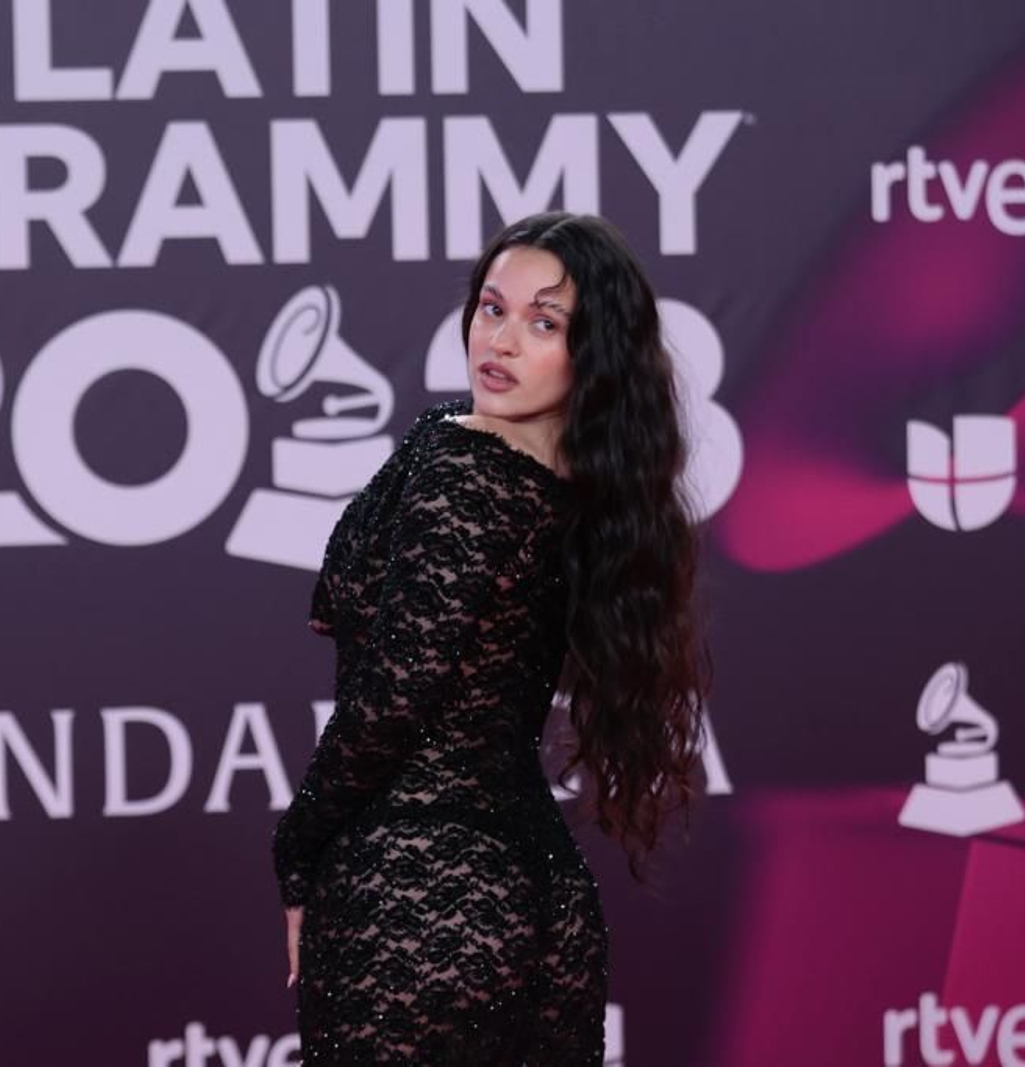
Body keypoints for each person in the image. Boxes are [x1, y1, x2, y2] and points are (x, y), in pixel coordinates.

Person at [271, 211, 711, 1064]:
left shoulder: (465, 467)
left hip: (415, 893)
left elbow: (394, 696)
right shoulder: (563, 486)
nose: (500, 339)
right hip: (540, 904)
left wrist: (297, 846)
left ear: (593, 355)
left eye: (544, 322)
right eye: (490, 308)